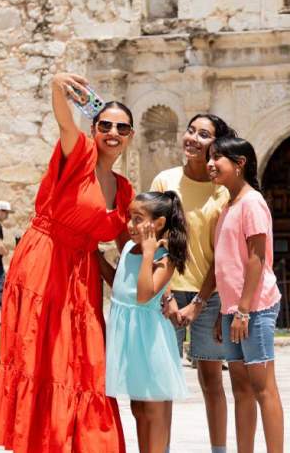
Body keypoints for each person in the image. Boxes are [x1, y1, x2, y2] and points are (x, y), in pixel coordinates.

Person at [0, 72, 136, 453]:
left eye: (122, 127)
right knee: (44, 357)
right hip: (44, 261)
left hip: (82, 274)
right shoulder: (80, 151)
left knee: (86, 361)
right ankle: (42, 442)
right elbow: (64, 121)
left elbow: (129, 249)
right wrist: (57, 87)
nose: (112, 132)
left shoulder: (126, 190)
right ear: (95, 127)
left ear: (131, 136)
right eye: (105, 124)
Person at [151, 113, 235, 453]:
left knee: (212, 380)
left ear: (215, 144)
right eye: (190, 130)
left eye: (203, 134)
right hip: (164, 292)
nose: (193, 138)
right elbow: (154, 239)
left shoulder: (223, 191)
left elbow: (223, 254)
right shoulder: (163, 181)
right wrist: (167, 294)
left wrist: (200, 302)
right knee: (164, 382)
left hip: (208, 294)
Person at [209, 136, 284, 453]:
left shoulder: (252, 203)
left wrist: (242, 310)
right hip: (233, 310)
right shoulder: (229, 205)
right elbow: (227, 263)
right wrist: (223, 310)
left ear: (239, 164)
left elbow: (256, 259)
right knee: (240, 387)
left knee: (263, 387)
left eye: (218, 158)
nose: (210, 163)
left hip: (254, 308)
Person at [105, 191, 189, 453]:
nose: (130, 225)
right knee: (138, 407)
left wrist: (148, 253)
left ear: (159, 223)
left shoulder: (164, 258)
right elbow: (119, 285)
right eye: (130, 217)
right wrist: (94, 257)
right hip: (127, 339)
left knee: (153, 407)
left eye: (138, 218)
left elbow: (143, 296)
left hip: (149, 341)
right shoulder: (129, 247)